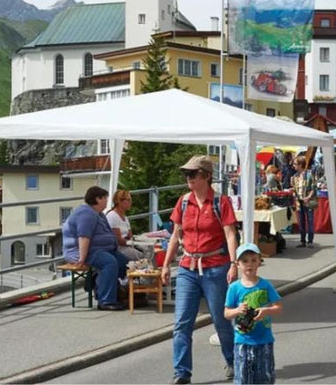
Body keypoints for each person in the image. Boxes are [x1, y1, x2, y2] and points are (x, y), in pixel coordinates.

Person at [162, 155, 239, 384]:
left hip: (215, 267)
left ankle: (233, 360)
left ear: (206, 176)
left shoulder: (220, 202)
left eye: (192, 174)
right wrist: (166, 265)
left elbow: (230, 233)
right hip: (187, 268)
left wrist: (234, 263)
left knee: (220, 320)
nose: (188, 178)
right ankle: (182, 373)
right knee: (181, 323)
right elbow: (175, 236)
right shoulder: (184, 202)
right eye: (186, 174)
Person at [62, 186, 129, 311]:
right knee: (109, 262)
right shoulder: (86, 214)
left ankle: (97, 281)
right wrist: (82, 258)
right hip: (83, 251)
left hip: (101, 249)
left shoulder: (98, 213)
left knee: (124, 264)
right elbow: (83, 237)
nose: (107, 201)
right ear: (98, 199)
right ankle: (106, 300)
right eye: (105, 198)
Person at [224, 243, 282, 385]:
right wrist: (238, 310)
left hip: (264, 341)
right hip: (242, 341)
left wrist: (266, 311)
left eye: (253, 260)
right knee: (244, 379)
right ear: (237, 264)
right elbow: (226, 313)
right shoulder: (234, 287)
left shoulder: (265, 285)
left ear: (259, 262)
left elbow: (278, 307)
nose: (249, 264)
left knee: (265, 378)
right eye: (245, 261)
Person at [106, 189, 145, 262]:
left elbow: (130, 235)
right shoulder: (112, 216)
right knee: (141, 256)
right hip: (119, 248)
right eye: (128, 200)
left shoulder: (125, 217)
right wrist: (131, 242)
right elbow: (118, 240)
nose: (131, 202)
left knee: (149, 250)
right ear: (119, 201)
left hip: (127, 244)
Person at [291, 156, 318, 248]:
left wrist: (308, 197)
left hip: (308, 201)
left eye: (295, 164)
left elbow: (314, 187)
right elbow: (295, 189)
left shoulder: (309, 175)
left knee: (310, 221)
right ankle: (302, 241)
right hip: (299, 202)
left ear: (300, 164)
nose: (293, 165)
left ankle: (310, 241)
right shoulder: (295, 176)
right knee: (301, 222)